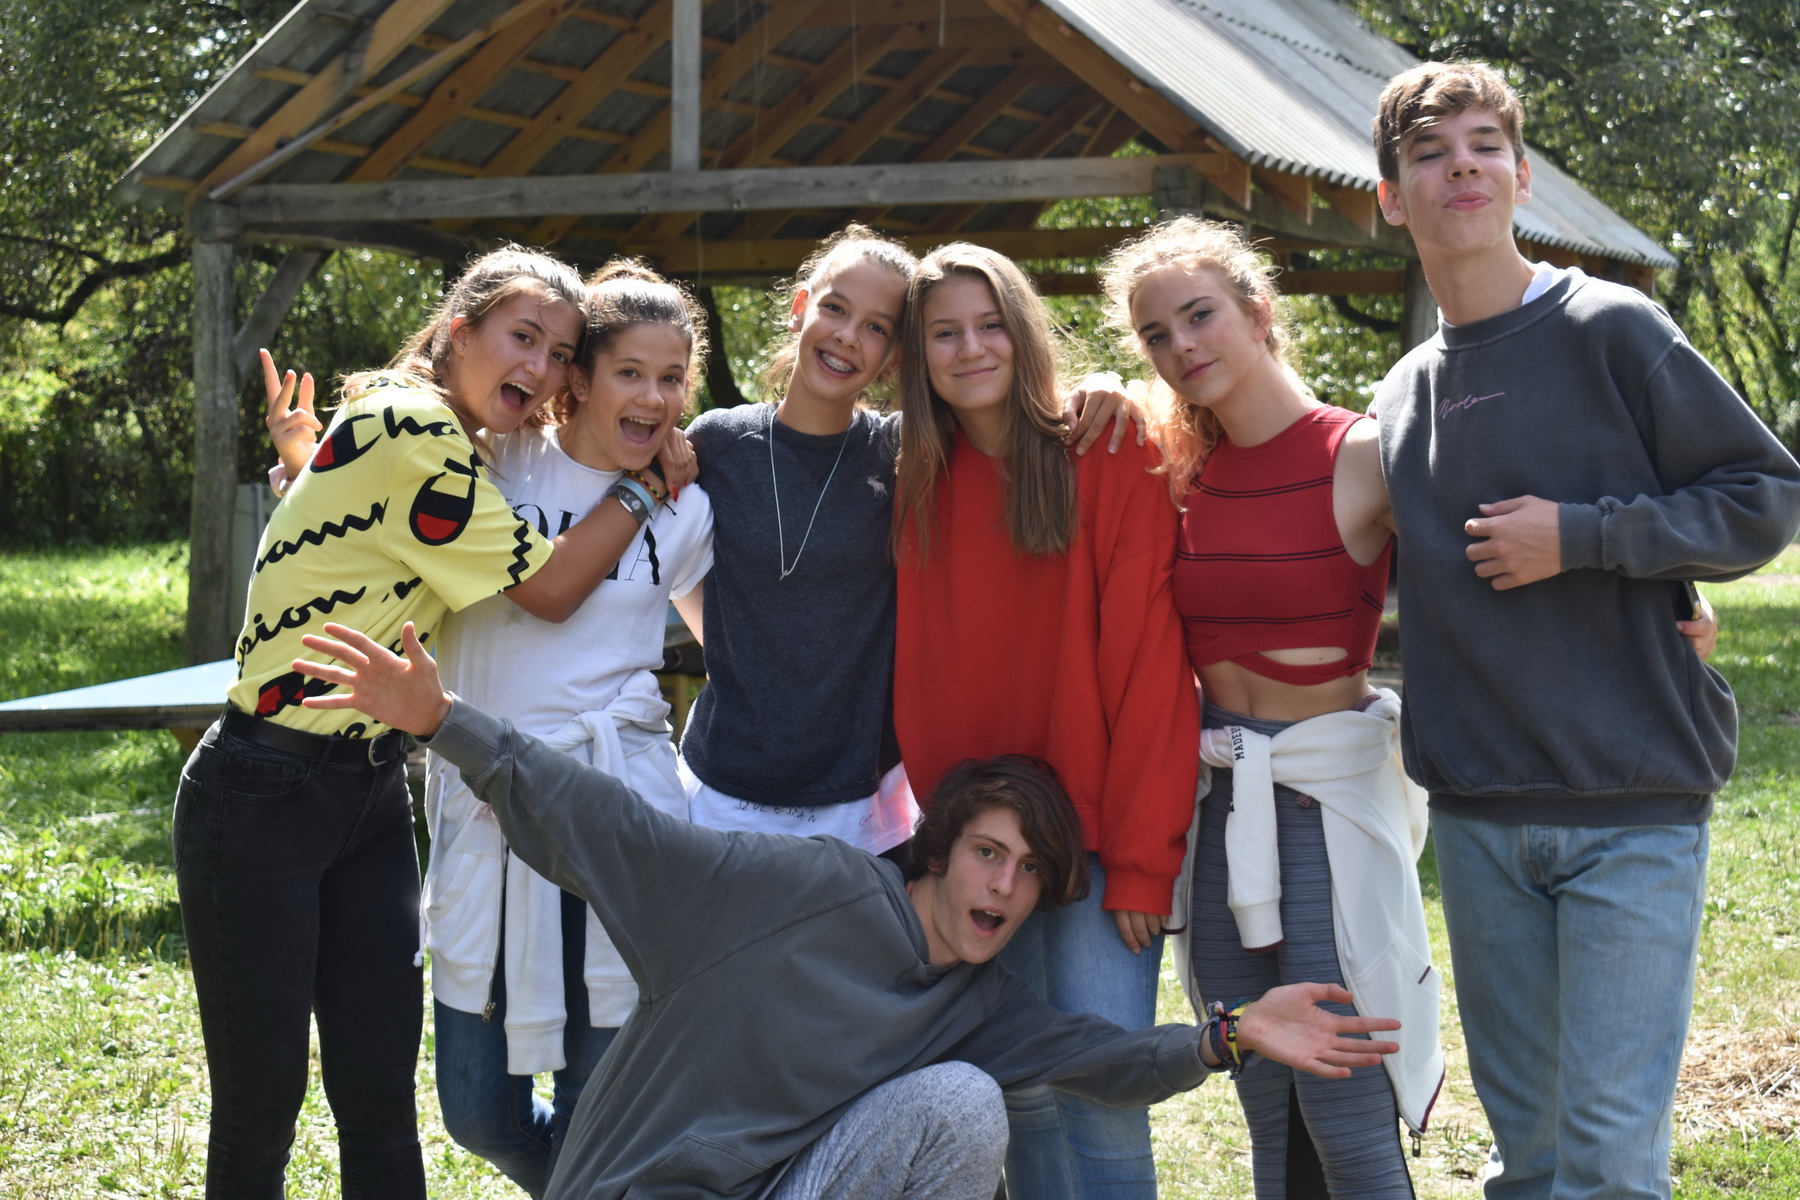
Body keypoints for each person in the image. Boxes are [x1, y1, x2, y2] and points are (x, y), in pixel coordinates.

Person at [283, 618, 1406, 1200]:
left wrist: (1229, 1034)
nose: (1003, 887)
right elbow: (606, 827)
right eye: (988, 854)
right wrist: (445, 722)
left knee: (964, 1103)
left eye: (1027, 874)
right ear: (938, 850)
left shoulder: (975, 1004)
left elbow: (1100, 1058)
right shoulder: (797, 889)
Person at [1369, 62, 1800, 1199]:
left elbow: (1764, 496)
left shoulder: (1613, 327)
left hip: (1631, 806)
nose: (1460, 167)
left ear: (1521, 176)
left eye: (1483, 146)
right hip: (1478, 820)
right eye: (1429, 153)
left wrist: (1588, 537)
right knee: (1531, 1163)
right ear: (1392, 198)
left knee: (1608, 1162)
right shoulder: (1399, 397)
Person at [175, 246, 650, 1199]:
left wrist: (305, 470)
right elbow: (553, 587)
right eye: (524, 337)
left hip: (369, 791)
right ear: (459, 332)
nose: (542, 367)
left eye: (561, 354)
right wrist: (643, 487)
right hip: (261, 792)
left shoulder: (430, 431)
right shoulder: (412, 425)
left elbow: (361, 531)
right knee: (262, 1112)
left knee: (382, 1105)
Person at [1097, 217, 1435, 1200]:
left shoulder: (1364, 452)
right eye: (1156, 334)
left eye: (1199, 315)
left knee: (1345, 1098)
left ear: (1259, 311)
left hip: (1328, 801)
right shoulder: (1175, 469)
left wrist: (1672, 604)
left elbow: (1485, 570)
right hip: (1223, 804)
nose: (1181, 345)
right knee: (1263, 1093)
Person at [890, 243, 1198, 1200]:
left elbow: (1153, 672)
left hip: (1103, 839)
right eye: (945, 333)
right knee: (1017, 1094)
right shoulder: (911, 480)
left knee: (1103, 1098)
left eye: (991, 325)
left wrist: (1144, 860)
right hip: (982, 850)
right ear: (918, 355)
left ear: (1024, 332)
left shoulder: (1109, 451)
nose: (970, 349)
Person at [677, 227, 1138, 854]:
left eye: (877, 327)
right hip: (722, 789)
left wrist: (1107, 384)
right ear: (799, 308)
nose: (848, 335)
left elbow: (1002, 409)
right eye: (835, 308)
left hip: (864, 809)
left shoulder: (909, 454)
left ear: (896, 357)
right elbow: (666, 558)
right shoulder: (717, 442)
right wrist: (741, 653)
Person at [421, 262, 714, 1197]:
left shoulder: (689, 505)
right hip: (491, 811)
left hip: (620, 810)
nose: (654, 399)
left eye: (672, 379)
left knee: (600, 1101)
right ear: (578, 377)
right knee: (476, 1110)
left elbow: (729, 642)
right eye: (630, 372)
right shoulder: (498, 460)